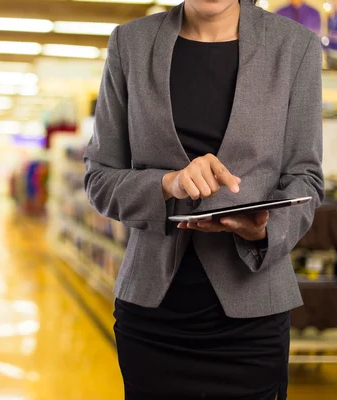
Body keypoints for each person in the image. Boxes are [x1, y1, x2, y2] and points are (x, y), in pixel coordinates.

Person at [83, 0, 324, 399]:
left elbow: (306, 178)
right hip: (153, 315)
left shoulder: (294, 46)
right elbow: (100, 179)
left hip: (253, 313)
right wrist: (168, 184)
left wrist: (262, 229)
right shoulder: (131, 43)